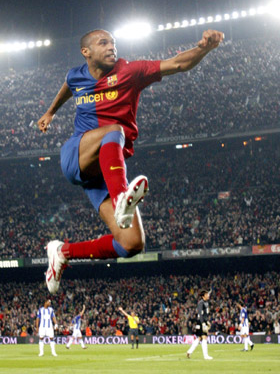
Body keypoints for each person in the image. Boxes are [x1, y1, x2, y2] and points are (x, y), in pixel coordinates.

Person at [37, 28, 224, 294]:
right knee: (114, 130)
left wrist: (204, 49)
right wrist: (50, 112)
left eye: (114, 43)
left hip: (104, 173)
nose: (112, 47)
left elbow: (178, 63)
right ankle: (121, 198)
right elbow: (69, 86)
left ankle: (63, 252)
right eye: (103, 43)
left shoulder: (129, 72)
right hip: (77, 155)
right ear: (86, 52)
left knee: (131, 244)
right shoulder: (76, 74)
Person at [186, 289, 213, 360]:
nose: (208, 295)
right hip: (201, 322)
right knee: (204, 337)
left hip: (204, 321)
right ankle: (206, 356)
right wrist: (203, 323)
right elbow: (200, 314)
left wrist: (207, 321)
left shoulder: (206, 302)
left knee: (199, 338)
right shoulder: (201, 303)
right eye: (207, 294)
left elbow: (205, 314)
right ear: (203, 296)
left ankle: (189, 351)